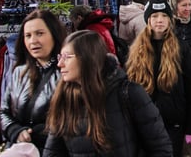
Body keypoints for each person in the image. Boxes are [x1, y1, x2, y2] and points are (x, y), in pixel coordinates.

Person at [42, 30, 173, 156]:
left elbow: (160, 147)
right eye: (60, 56)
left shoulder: (129, 93)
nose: (60, 64)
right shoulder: (64, 99)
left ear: (88, 58)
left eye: (67, 57)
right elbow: (53, 151)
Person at [126, 0, 191, 157]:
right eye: (154, 16)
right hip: (142, 126)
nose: (159, 20)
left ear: (170, 19)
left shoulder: (182, 48)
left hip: (173, 125)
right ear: (148, 19)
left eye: (164, 16)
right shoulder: (135, 51)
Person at [0, 9, 67, 153]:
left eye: (40, 33)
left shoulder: (67, 72)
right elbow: (3, 112)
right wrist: (15, 130)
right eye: (28, 36)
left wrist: (42, 133)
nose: (33, 41)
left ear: (54, 34)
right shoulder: (19, 72)